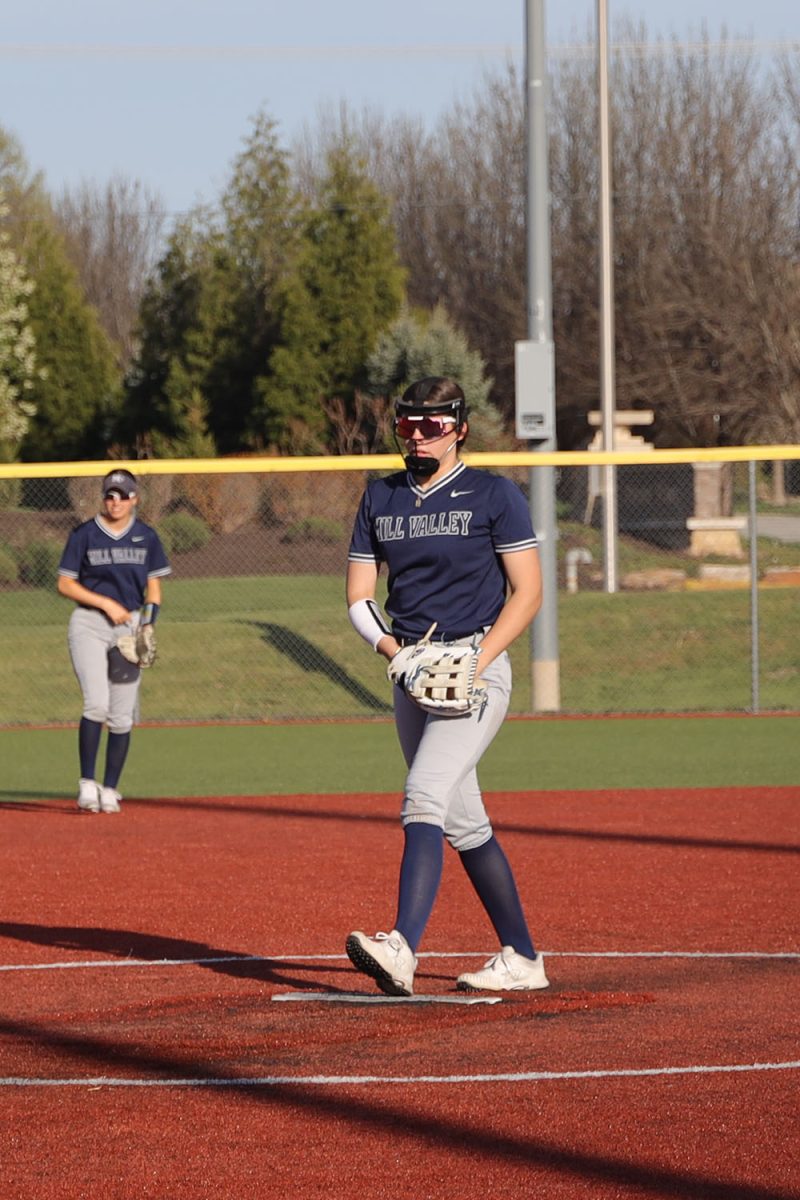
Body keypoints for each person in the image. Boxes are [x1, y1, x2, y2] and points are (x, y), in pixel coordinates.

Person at [344, 376, 549, 995]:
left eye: (433, 425)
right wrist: (394, 653)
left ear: (461, 428)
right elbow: (359, 597)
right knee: (466, 824)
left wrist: (479, 659)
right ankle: (522, 958)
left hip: (474, 667)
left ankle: (402, 947)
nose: (418, 435)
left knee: (423, 796)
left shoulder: (494, 495)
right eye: (408, 425)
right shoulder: (381, 498)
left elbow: (530, 591)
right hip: (411, 672)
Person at [57, 469, 171, 814]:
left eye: (122, 495)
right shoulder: (85, 535)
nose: (115, 501)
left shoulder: (146, 537)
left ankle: (110, 788)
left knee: (122, 715)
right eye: (110, 495)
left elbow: (153, 591)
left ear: (135, 498)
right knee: (97, 704)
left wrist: (147, 626)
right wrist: (105, 603)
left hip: (129, 628)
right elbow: (65, 584)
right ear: (103, 498)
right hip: (89, 625)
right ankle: (87, 784)